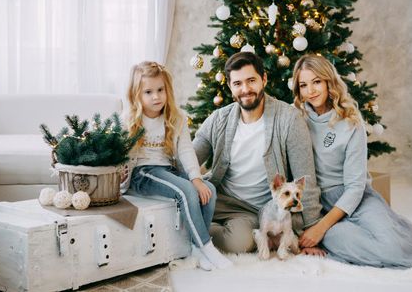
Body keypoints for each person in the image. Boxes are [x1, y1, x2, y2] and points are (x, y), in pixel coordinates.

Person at [292, 54, 412, 270]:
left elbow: (355, 187)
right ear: (298, 90)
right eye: (303, 85)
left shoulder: (350, 121)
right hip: (320, 207)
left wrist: (321, 229)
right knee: (341, 239)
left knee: (393, 246)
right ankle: (346, 245)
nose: (311, 91)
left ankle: (393, 249)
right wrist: (316, 225)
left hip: (358, 198)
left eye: (316, 82)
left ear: (329, 82)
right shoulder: (297, 122)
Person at [193, 52, 322, 253]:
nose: (245, 90)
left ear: (263, 79)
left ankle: (192, 233)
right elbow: (190, 158)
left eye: (251, 80)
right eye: (237, 84)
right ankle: (193, 228)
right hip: (221, 199)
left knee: (238, 243)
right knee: (181, 207)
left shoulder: (289, 119)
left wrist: (312, 228)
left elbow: (305, 177)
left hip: (258, 208)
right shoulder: (220, 118)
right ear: (230, 86)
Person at [122, 61, 232, 271]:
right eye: (148, 92)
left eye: (160, 90)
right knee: (187, 191)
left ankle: (197, 249)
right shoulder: (129, 120)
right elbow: (119, 156)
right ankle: (207, 248)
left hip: (166, 170)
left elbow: (185, 151)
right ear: (137, 94)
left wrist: (197, 178)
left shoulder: (176, 117)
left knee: (209, 190)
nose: (156, 96)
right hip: (142, 174)